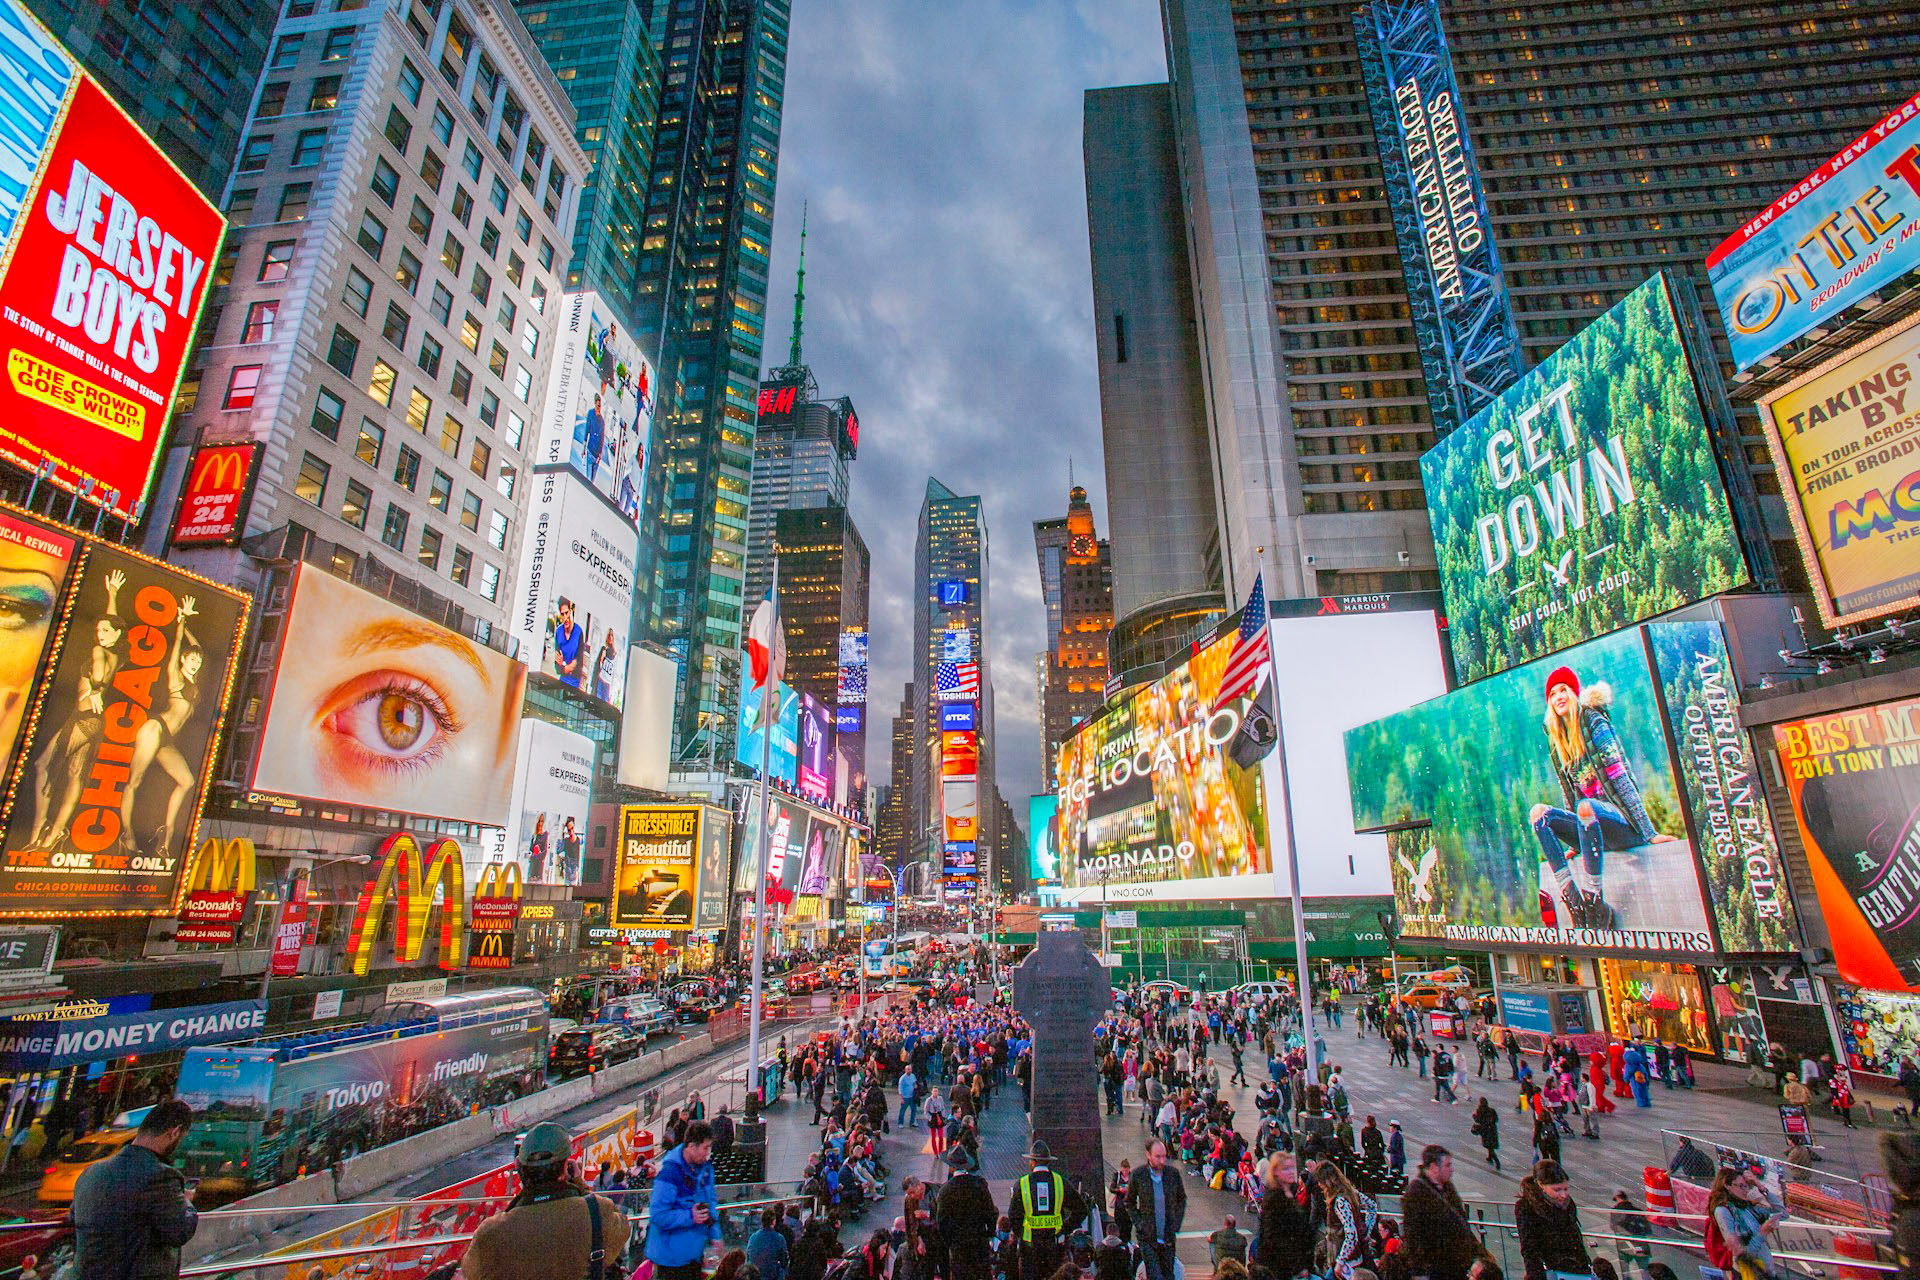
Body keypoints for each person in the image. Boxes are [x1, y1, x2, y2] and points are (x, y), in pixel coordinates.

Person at [1528, 664, 1680, 930]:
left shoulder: (1594, 721)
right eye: (1553, 694)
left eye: (1563, 690)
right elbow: (1568, 793)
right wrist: (1576, 840)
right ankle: (1574, 902)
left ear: (1574, 693)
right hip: (1589, 825)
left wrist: (1649, 833)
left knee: (1586, 806)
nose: (1559, 697)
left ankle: (1594, 901)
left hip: (1620, 822)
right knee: (1538, 814)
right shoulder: (1557, 739)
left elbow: (1620, 778)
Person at [463, 1123, 631, 1280]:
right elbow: (622, 1230)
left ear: (519, 1167)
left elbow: (470, 1271)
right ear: (565, 1168)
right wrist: (580, 1185)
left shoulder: (491, 1232)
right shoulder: (597, 1212)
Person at [73, 1099, 197, 1280]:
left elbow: (75, 1217)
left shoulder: (91, 1172)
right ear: (174, 1132)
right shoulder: (161, 1176)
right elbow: (180, 1231)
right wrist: (186, 1200)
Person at [646, 1119, 721, 1280]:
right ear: (692, 1146)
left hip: (694, 1257)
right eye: (705, 1148)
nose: (707, 1153)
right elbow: (658, 1215)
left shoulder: (706, 1170)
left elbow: (710, 1203)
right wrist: (690, 1216)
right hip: (670, 1263)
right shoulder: (669, 1174)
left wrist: (716, 1235)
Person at [1401, 1145, 1483, 1280]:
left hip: (1458, 1266)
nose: (1451, 1169)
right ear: (1434, 1167)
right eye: (1447, 1165)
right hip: (1437, 1269)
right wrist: (1420, 1272)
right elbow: (1413, 1236)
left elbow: (1461, 1221)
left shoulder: (1447, 1187)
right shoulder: (1416, 1193)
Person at [1007, 1141, 1086, 1280]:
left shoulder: (1022, 1184)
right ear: (1048, 1161)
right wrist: (1065, 1228)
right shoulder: (1061, 1182)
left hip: (1030, 1249)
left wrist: (1023, 1234)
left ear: (1033, 1162)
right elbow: (1081, 1209)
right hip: (1055, 1247)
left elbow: (1013, 1216)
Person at [1705, 1165, 1784, 1280]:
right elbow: (1740, 1253)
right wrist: (1762, 1232)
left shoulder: (1747, 1206)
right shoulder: (1723, 1211)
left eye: (1747, 1186)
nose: (1745, 1190)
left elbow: (1782, 1213)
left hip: (1765, 1271)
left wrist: (1760, 1186)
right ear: (1727, 1186)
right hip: (1748, 1273)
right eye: (1741, 1186)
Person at [1514, 1160, 1590, 1280]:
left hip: (1577, 1269)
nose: (1563, 1195)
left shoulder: (1568, 1204)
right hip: (1550, 1269)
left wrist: (1586, 1267)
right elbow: (1529, 1249)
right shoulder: (1526, 1206)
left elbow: (1576, 1240)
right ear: (1541, 1185)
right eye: (1557, 1190)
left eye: (1566, 1189)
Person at [1123, 1138, 1186, 1280]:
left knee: (1168, 1275)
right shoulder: (1138, 1175)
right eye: (1158, 1156)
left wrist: (1176, 1224)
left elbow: (1181, 1199)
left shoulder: (1172, 1174)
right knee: (1155, 1275)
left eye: (1164, 1156)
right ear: (1148, 1155)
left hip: (1168, 1237)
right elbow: (1129, 1202)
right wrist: (1140, 1224)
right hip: (1148, 1238)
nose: (1162, 1160)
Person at [1310, 1161, 1376, 1280]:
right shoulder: (1352, 1193)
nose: (1319, 1185)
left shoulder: (1339, 1202)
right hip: (1351, 1258)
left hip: (1345, 1261)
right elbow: (1372, 1206)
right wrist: (1366, 1230)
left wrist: (1340, 1261)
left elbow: (1351, 1235)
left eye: (1320, 1181)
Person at [1253, 1150, 1313, 1280]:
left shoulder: (1292, 1192)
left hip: (1295, 1264)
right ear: (1275, 1172)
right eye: (1285, 1169)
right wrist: (1296, 1264)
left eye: (1292, 1167)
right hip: (1279, 1267)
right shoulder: (1273, 1199)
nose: (1291, 1172)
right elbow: (1272, 1237)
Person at [747, 1209, 789, 1280]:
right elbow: (784, 1260)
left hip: (754, 1275)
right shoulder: (779, 1238)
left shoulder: (753, 1237)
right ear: (774, 1221)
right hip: (771, 1276)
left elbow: (748, 1257)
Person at [1472, 1098, 1502, 1171]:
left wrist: (1474, 1116)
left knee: (1489, 1146)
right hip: (1492, 1130)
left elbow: (1478, 1120)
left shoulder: (1479, 1111)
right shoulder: (1492, 1110)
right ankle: (1490, 1157)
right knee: (1490, 1145)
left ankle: (1496, 1161)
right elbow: (1496, 1119)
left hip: (1485, 1130)